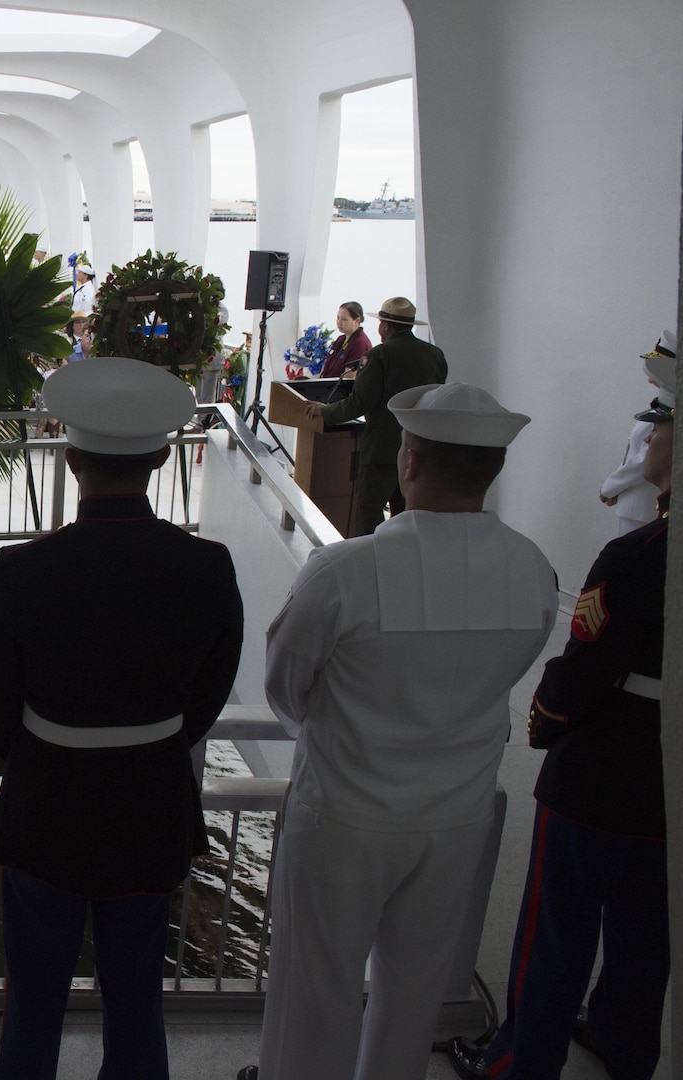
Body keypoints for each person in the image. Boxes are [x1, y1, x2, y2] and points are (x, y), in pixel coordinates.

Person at [249, 383, 559, 1080]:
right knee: (415, 988)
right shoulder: (532, 571)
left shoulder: (344, 570)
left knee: (315, 983)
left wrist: (334, 736)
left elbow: (284, 686)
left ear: (409, 461)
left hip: (344, 814)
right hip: (455, 816)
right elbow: (511, 670)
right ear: (491, 469)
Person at [0, 358, 244, 1080]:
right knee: (136, 985)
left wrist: (42, 752)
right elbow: (209, 692)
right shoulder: (207, 566)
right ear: (159, 457)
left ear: (69, 461)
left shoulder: (21, 569)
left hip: (48, 798)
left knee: (35, 985)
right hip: (150, 797)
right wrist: (153, 741)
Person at [450, 353, 675, 1080]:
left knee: (558, 929)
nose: (650, 442)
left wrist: (545, 720)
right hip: (668, 776)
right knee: (649, 927)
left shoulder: (637, 554)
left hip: (605, 767)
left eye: (661, 430)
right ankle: (624, 1044)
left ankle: (523, 1061)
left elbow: (583, 666)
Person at [304, 296, 448, 535]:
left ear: (386, 326)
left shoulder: (379, 355)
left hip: (381, 449)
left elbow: (360, 402)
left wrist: (325, 411)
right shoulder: (434, 355)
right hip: (418, 449)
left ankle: (368, 568)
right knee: (406, 518)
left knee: (369, 516)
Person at [600, 330, 674, 536]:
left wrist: (610, 487)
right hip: (635, 504)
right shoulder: (662, 405)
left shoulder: (668, 410)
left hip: (641, 507)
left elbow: (644, 460)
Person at [317, 300, 371, 378]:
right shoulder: (341, 339)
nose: (339, 322)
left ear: (357, 321)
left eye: (344, 319)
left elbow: (349, 377)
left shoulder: (360, 343)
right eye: (338, 318)